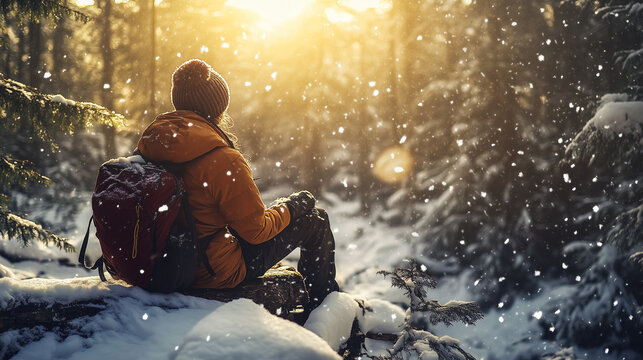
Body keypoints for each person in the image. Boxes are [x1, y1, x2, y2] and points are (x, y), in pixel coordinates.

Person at [137, 59, 339, 308]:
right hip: (212, 271)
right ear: (219, 108)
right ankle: (323, 311)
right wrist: (292, 207)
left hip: (162, 261)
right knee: (315, 220)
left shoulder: (152, 143)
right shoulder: (221, 159)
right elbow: (256, 232)